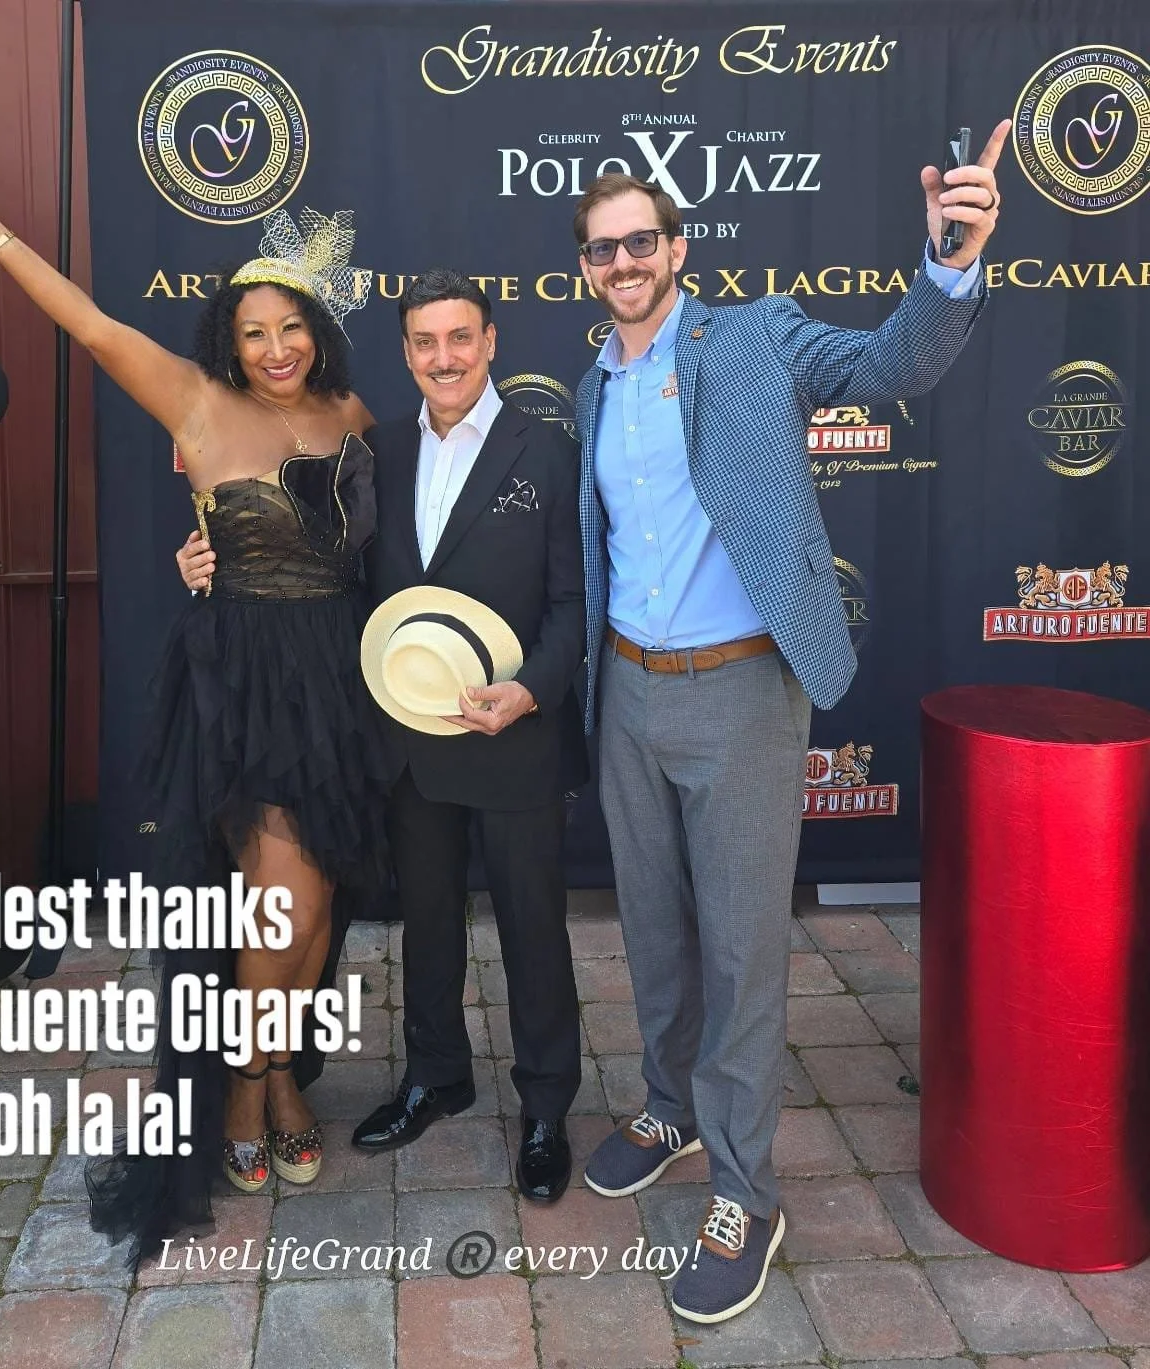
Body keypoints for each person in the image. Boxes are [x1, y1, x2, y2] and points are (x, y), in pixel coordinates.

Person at [0, 176, 396, 1265]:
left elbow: (377, 551)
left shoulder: (351, 418)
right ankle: (247, 1095)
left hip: (344, 680)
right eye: (253, 331)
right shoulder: (194, 405)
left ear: (318, 330)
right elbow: (94, 325)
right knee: (277, 910)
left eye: (291, 327)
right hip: (247, 683)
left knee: (315, 914)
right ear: (228, 337)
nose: (274, 348)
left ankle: (278, 1068)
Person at [570, 122, 1010, 1324]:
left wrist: (949, 259)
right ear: (586, 267)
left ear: (678, 247)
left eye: (641, 242)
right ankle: (667, 1104)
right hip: (628, 690)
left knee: (745, 948)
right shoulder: (592, 378)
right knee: (654, 930)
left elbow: (888, 368)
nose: (624, 262)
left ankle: (745, 1189)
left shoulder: (756, 334)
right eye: (603, 249)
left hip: (745, 689)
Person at [349, 269, 586, 1203]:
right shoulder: (377, 451)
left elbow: (573, 603)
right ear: (406, 352)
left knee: (534, 927)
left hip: (516, 733)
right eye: (423, 342)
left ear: (492, 341)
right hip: (411, 733)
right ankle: (436, 1075)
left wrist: (531, 689)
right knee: (430, 922)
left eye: (459, 338)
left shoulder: (549, 452)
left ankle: (546, 1105)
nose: (442, 358)